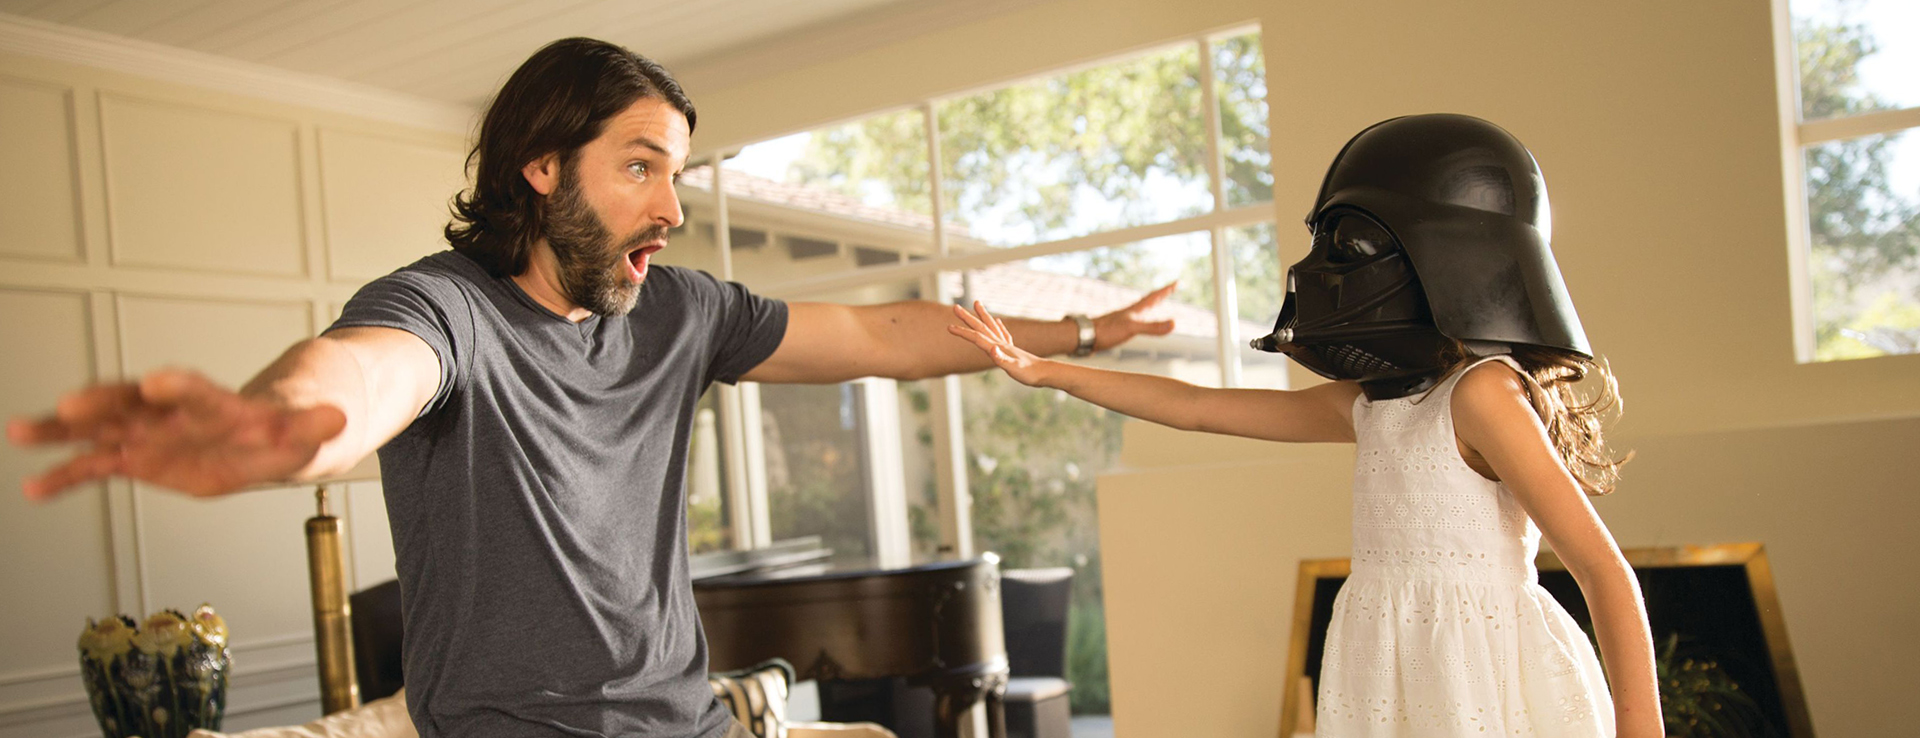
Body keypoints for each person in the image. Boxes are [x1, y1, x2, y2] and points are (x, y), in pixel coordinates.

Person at [7, 38, 1178, 738]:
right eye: (638, 168)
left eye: (675, 174)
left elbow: (882, 328)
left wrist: (1077, 331)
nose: (669, 207)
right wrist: (271, 430)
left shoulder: (679, 311)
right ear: (541, 166)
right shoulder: (449, 309)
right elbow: (363, 378)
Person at [947, 114, 1662, 737]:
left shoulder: (1482, 395)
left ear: (1441, 255)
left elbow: (1602, 569)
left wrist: (1641, 730)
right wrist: (1051, 371)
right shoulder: (1372, 403)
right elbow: (1196, 407)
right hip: (1386, 663)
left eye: (1347, 249)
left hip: (1478, 670)